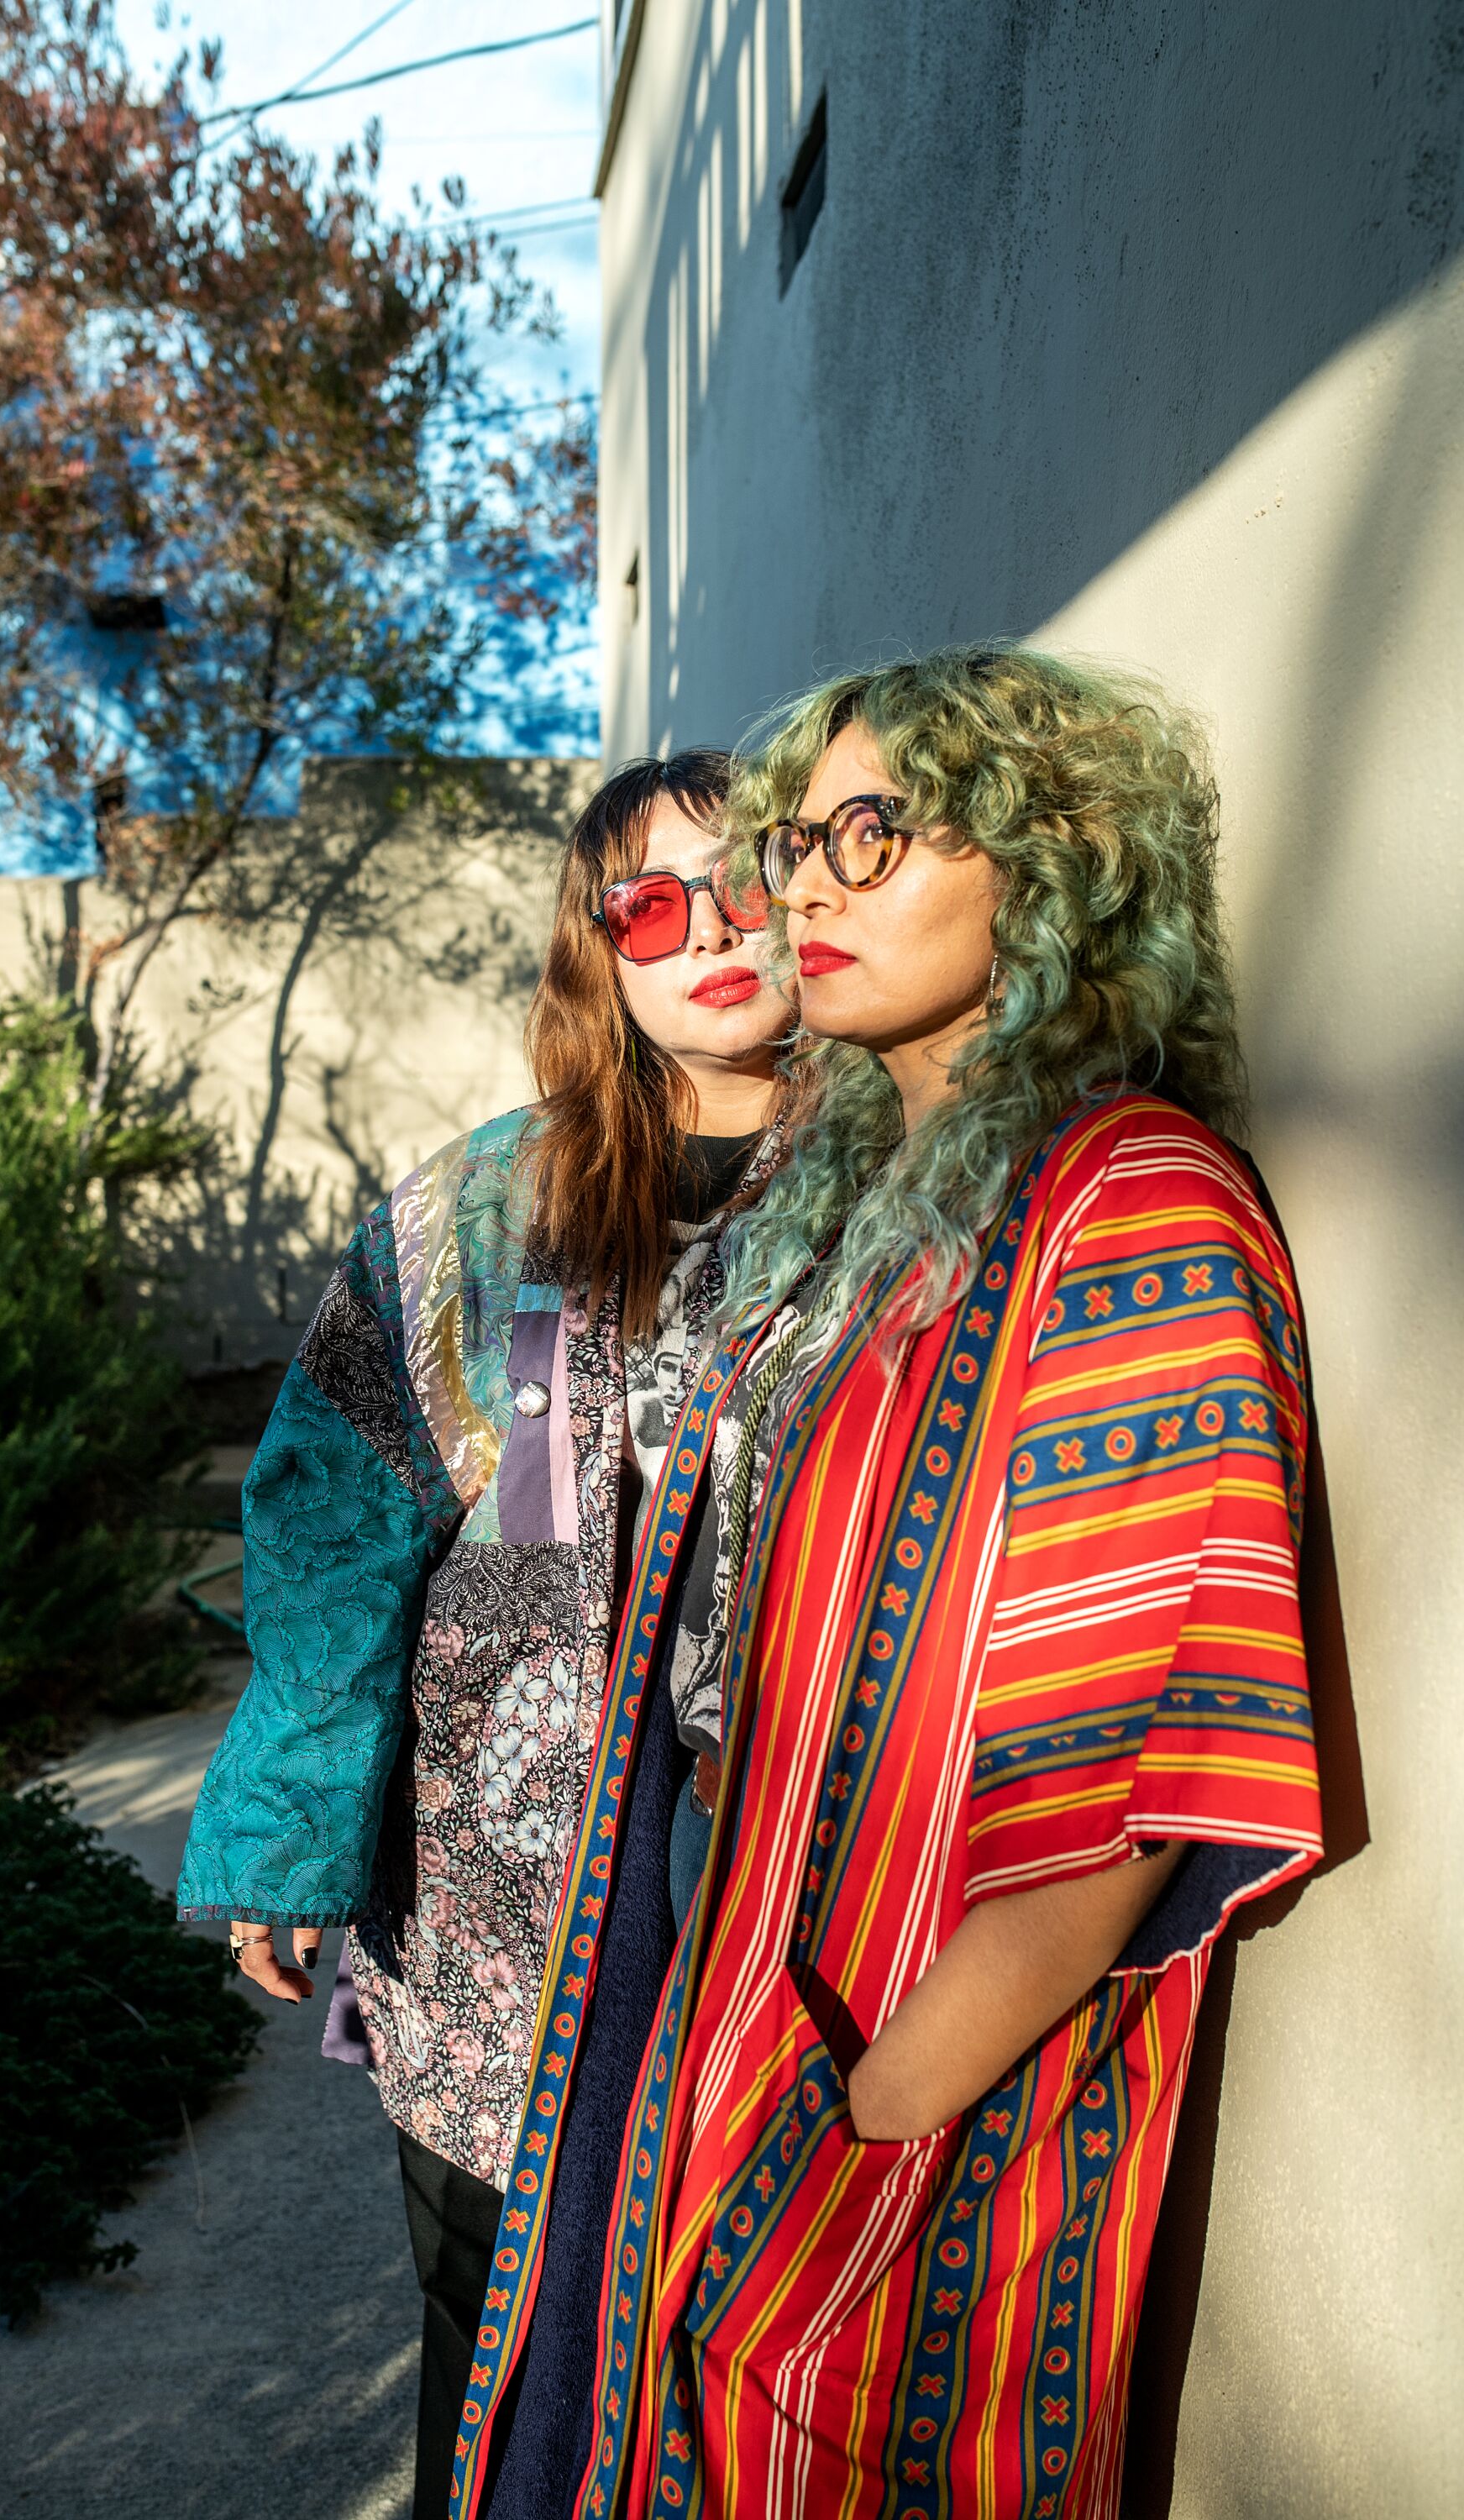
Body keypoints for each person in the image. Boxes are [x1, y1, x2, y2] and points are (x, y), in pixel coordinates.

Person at [451, 650, 1323, 2520]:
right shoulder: (876, 1194)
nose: (808, 888)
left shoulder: (1128, 1202)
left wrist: (869, 2121)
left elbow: (1125, 1766)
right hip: (761, 2010)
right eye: (799, 838)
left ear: (1055, 862)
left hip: (913, 2142)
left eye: (876, 829)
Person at [175, 751, 795, 2520]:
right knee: (493, 2326)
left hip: (769, 1892)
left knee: (727, 2336)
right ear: (599, 952)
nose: (710, 931)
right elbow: (332, 1516)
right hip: (488, 1911)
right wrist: (290, 1839)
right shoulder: (491, 1205)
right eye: (649, 904)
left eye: (742, 878)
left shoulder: (907, 1190)